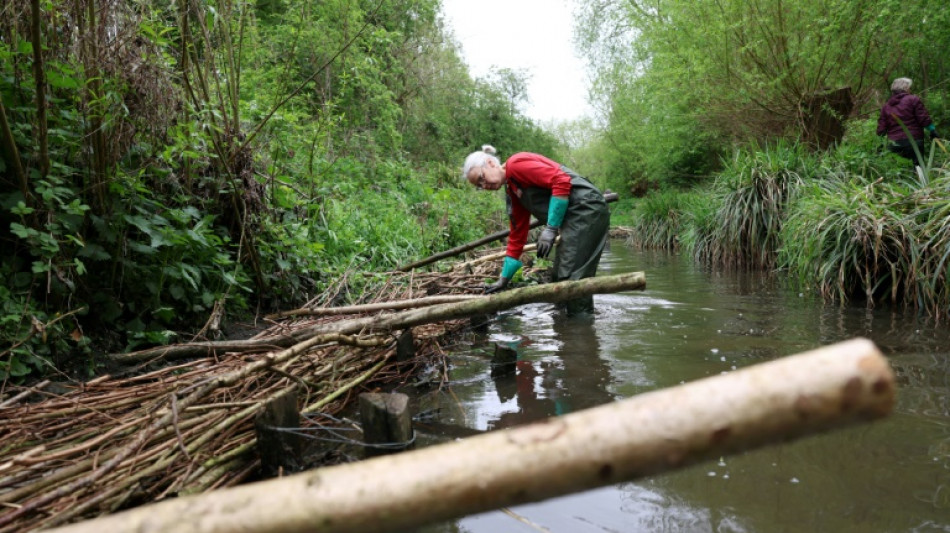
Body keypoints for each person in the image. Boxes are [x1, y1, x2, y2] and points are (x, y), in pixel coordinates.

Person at [461, 145, 610, 314]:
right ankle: (565, 327)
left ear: (490, 163)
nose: (484, 185)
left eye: (481, 177)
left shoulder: (516, 165)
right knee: (558, 279)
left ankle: (580, 329)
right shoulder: (512, 189)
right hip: (575, 218)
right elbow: (517, 234)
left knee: (571, 278)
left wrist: (551, 228)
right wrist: (504, 278)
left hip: (587, 209)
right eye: (479, 185)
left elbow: (561, 180)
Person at [877, 77, 940, 167]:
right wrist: (932, 130)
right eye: (909, 88)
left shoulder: (886, 106)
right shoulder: (913, 99)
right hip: (913, 141)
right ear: (906, 88)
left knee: (899, 172)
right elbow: (923, 118)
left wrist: (880, 143)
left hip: (894, 144)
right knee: (918, 169)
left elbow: (881, 130)